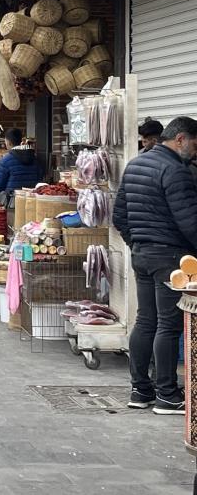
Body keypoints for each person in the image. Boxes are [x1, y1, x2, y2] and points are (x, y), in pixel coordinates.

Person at [113, 116, 197, 415]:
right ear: (181, 139)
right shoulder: (176, 171)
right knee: (168, 324)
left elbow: (119, 216)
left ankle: (140, 390)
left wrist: (136, 242)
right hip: (171, 258)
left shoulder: (136, 164)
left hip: (142, 254)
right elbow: (189, 221)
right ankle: (168, 395)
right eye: (194, 144)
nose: (195, 152)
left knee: (145, 320)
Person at [0, 128, 42, 203]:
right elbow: (40, 178)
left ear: (8, 142)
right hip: (32, 200)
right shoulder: (34, 158)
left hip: (13, 201)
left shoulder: (6, 160)